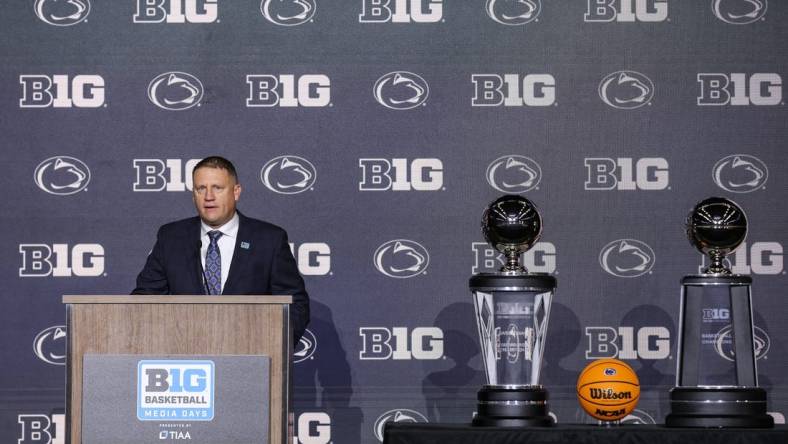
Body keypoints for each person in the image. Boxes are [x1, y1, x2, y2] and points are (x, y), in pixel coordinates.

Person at [132, 156, 309, 341]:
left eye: (217, 188)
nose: (209, 196)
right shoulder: (171, 238)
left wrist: (271, 345)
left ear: (236, 192)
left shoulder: (269, 239)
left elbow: (296, 304)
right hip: (185, 357)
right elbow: (144, 299)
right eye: (201, 188)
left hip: (250, 357)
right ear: (194, 194)